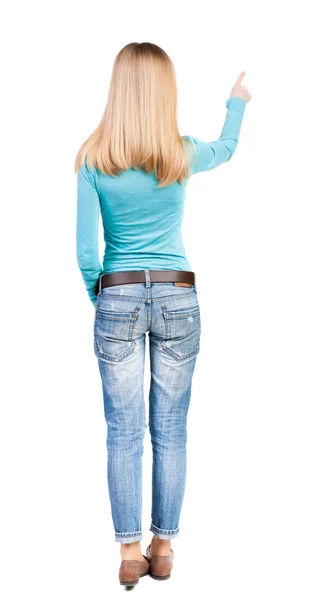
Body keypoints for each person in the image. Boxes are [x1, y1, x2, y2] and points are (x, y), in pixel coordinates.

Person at [74, 41, 251, 586]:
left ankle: (129, 552)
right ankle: (164, 544)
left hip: (119, 294)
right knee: (170, 427)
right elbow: (225, 148)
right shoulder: (180, 154)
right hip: (178, 295)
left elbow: (87, 250)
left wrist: (102, 299)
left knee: (122, 432)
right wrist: (238, 102)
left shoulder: (93, 159)